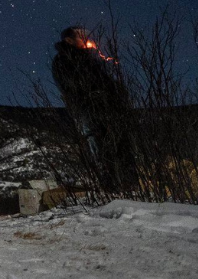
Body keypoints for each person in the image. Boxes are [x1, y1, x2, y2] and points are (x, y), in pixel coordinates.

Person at [50, 27, 136, 192]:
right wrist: (94, 93)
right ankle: (112, 191)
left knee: (121, 145)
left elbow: (107, 81)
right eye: (81, 35)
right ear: (69, 40)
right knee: (101, 148)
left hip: (110, 109)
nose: (86, 37)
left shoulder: (91, 59)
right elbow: (72, 84)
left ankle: (130, 186)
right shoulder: (63, 60)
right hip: (88, 110)